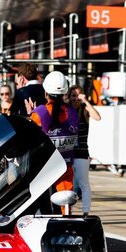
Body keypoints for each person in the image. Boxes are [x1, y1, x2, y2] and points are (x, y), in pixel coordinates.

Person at [30, 71, 79, 203]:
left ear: (45, 93)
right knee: (65, 205)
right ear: (65, 93)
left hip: (43, 170)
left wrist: (31, 114)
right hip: (66, 166)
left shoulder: (39, 113)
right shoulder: (73, 113)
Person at [68, 85, 102, 216]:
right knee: (68, 185)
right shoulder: (67, 110)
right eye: (73, 95)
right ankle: (67, 211)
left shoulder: (84, 109)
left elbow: (98, 117)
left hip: (81, 153)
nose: (76, 98)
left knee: (84, 183)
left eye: (78, 95)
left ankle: (85, 212)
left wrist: (86, 101)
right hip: (68, 153)